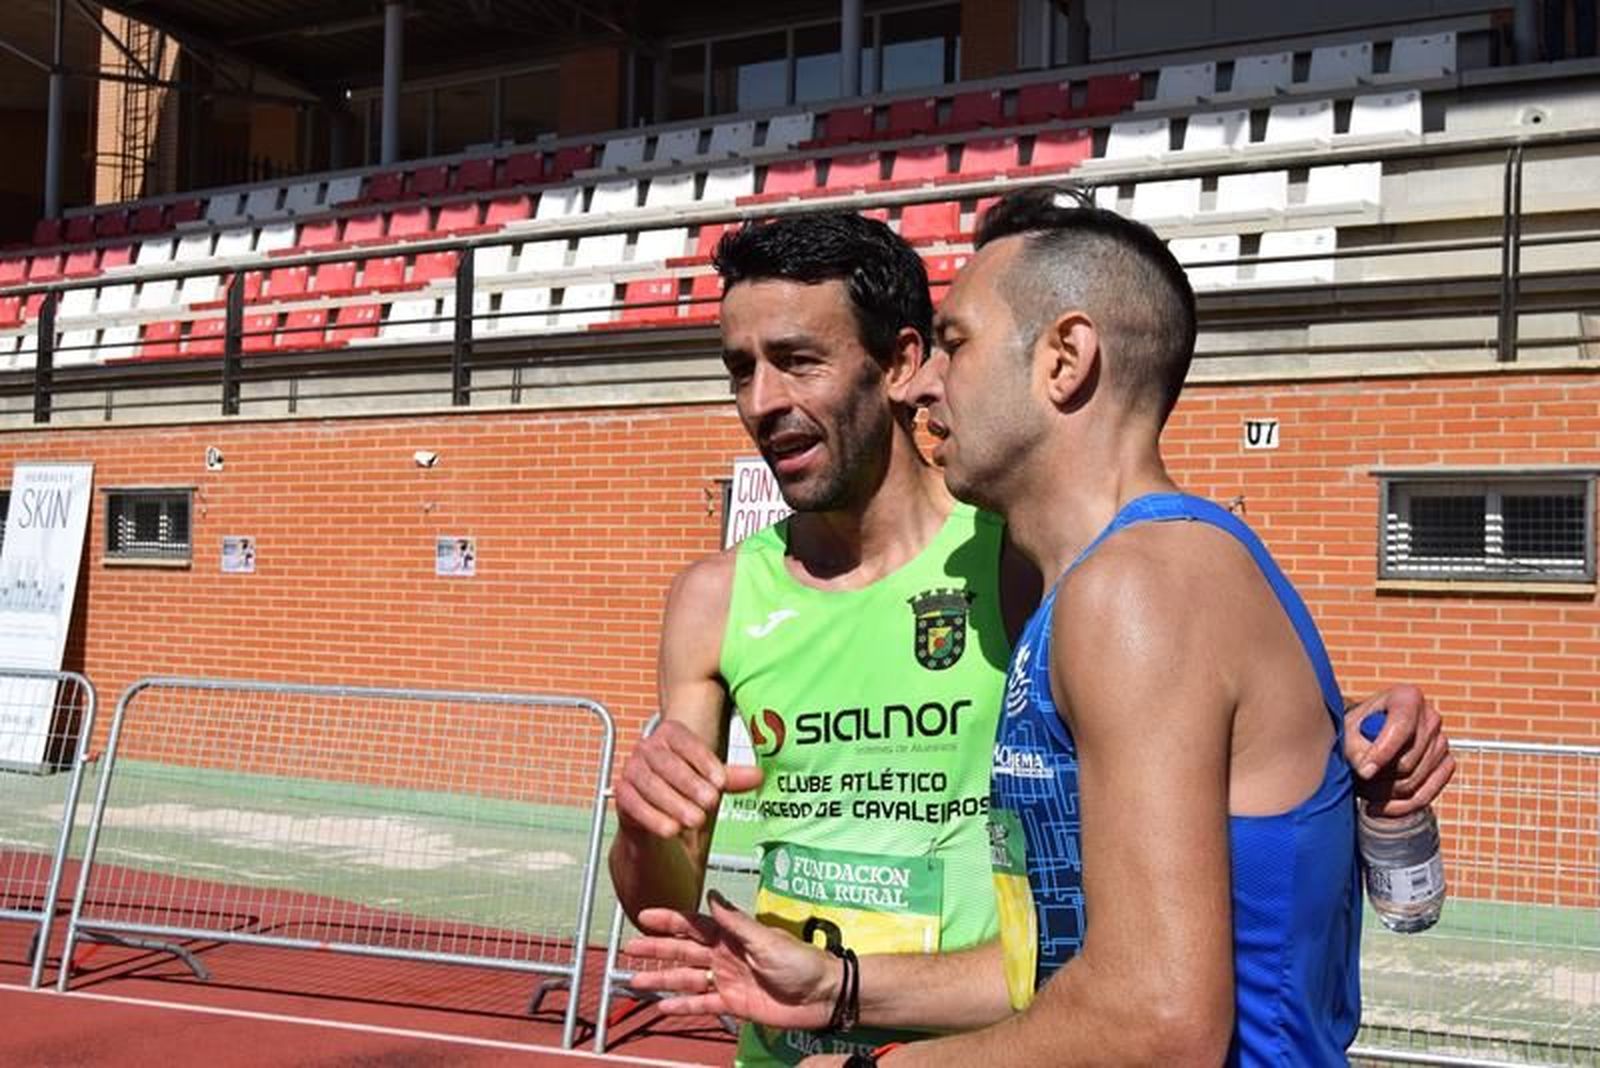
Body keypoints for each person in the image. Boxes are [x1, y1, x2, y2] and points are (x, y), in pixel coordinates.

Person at [610, 209, 1455, 1067]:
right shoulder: (1121, 579)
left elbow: (1154, 1019)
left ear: (1064, 358)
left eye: (958, 343)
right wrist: (838, 986)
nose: (928, 386)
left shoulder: (1125, 584)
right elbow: (1067, 961)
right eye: (739, 370)